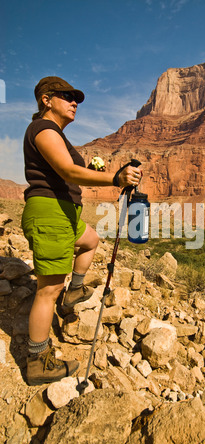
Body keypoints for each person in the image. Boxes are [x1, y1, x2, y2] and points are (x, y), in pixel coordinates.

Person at [22, 76, 141, 386]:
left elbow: (72, 171)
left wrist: (95, 171)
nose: (74, 102)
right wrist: (115, 178)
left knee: (91, 240)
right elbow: (67, 171)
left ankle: (74, 289)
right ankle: (37, 360)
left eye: (75, 97)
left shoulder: (58, 135)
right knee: (47, 290)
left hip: (65, 214)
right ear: (46, 100)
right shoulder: (44, 130)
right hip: (50, 213)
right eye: (66, 96)